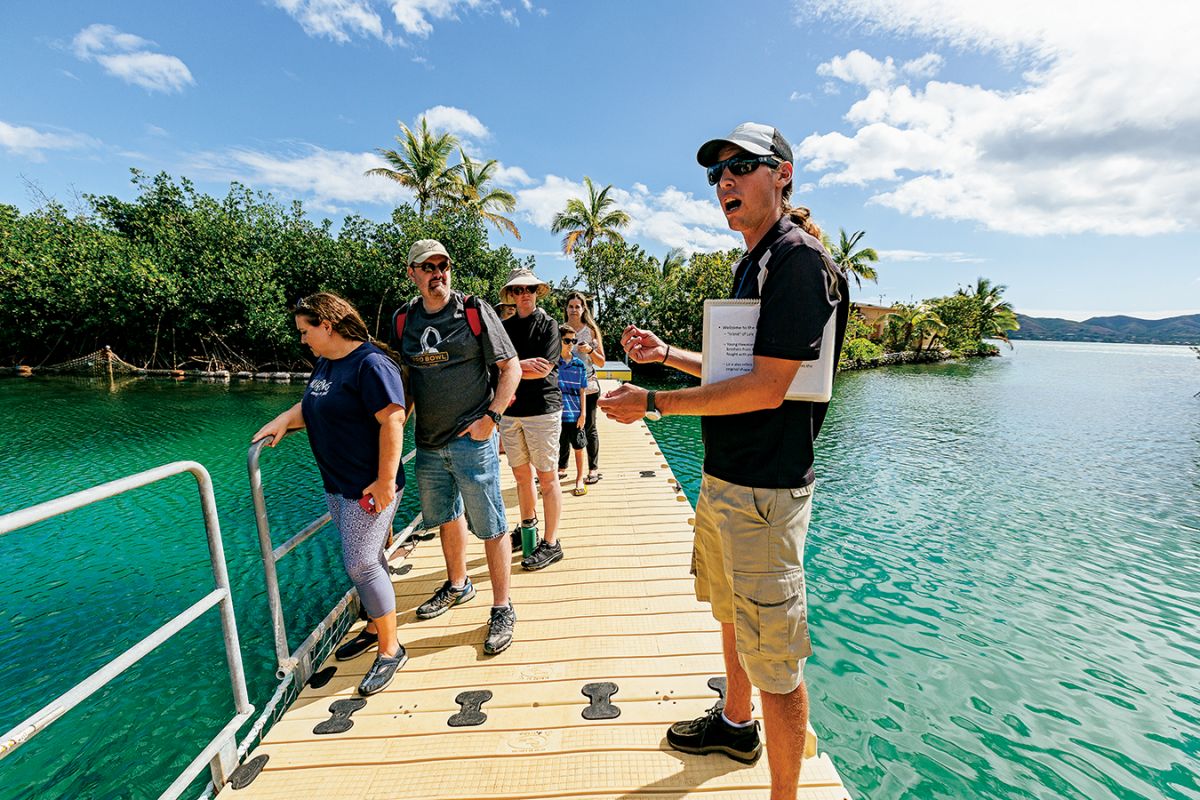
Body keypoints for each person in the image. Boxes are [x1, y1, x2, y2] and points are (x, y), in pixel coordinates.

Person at [598, 122, 849, 800]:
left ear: (783, 174)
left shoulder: (798, 261)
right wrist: (666, 356)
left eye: (742, 166)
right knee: (733, 616)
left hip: (765, 490)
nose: (725, 181)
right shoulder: (755, 260)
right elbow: (741, 368)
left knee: (777, 664)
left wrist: (654, 404)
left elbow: (767, 389)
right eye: (717, 173)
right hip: (728, 479)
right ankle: (736, 725)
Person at [252, 292, 409, 696]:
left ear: (327, 325)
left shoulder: (371, 364)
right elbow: (314, 404)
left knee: (361, 564)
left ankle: (391, 649)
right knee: (369, 559)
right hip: (337, 485)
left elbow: (393, 420)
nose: (302, 339)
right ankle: (375, 626)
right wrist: (283, 419)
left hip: (368, 487)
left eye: (305, 331)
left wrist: (385, 481)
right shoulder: (327, 363)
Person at [394, 239, 522, 655]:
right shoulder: (403, 319)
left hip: (473, 440)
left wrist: (492, 419)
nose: (438, 274)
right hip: (428, 444)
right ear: (412, 273)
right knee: (447, 518)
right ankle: (457, 584)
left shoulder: (473, 309)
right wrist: (393, 432)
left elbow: (510, 367)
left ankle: (502, 606)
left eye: (443, 265)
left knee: (491, 524)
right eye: (428, 267)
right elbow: (406, 382)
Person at [498, 267, 565, 571]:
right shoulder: (504, 328)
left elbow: (544, 369)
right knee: (521, 477)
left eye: (530, 289)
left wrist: (512, 369)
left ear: (537, 292)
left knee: (547, 478)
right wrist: (518, 367)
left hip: (542, 411)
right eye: (518, 289)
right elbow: (495, 368)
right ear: (511, 294)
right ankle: (529, 530)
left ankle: (551, 543)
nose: (524, 294)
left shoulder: (549, 326)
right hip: (511, 412)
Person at [563, 291, 605, 484]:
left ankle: (593, 468)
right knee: (563, 427)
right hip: (565, 388)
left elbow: (601, 362)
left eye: (577, 306)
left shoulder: (591, 331)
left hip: (588, 386)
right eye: (570, 306)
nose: (574, 310)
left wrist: (590, 350)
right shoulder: (560, 329)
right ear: (566, 309)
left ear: (583, 309)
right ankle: (562, 467)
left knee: (589, 427)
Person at [556, 324, 589, 496]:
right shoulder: (553, 363)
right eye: (567, 340)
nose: (571, 344)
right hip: (556, 415)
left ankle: (579, 478)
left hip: (575, 414)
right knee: (557, 447)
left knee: (578, 447)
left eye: (573, 341)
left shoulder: (579, 365)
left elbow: (583, 391)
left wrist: (583, 414)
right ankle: (557, 474)